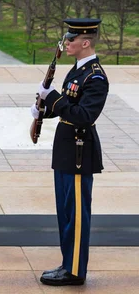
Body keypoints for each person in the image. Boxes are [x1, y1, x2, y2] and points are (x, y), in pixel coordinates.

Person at [31, 18, 108, 286]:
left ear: (85, 42)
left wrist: (54, 99)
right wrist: (43, 108)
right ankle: (68, 263)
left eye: (71, 39)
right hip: (65, 150)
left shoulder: (95, 77)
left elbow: (84, 116)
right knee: (65, 213)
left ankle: (75, 271)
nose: (67, 43)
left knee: (76, 215)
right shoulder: (77, 71)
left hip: (79, 152)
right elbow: (67, 107)